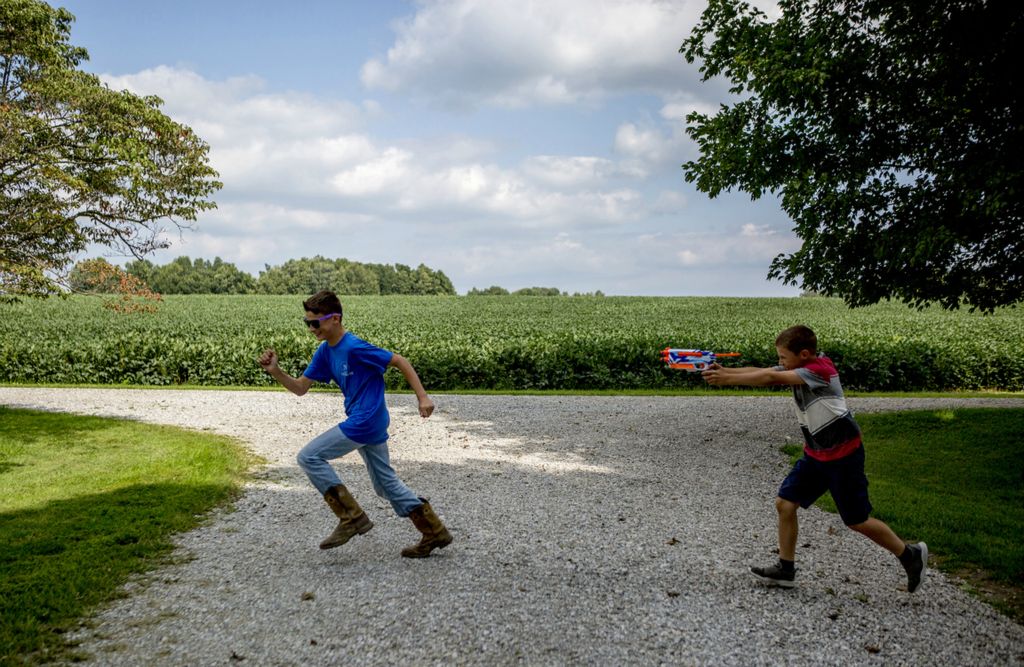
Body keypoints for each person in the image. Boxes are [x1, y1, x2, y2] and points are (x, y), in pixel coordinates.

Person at [701, 325, 927, 592]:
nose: (781, 362)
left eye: (784, 357)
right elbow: (768, 370)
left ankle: (909, 555)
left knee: (856, 520)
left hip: (844, 456)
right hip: (816, 455)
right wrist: (724, 371)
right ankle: (785, 569)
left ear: (805, 354)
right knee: (785, 504)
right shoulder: (802, 367)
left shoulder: (819, 371)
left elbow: (770, 378)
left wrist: (727, 380)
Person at [258, 289, 452, 558]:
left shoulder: (354, 347)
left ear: (335, 318)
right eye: (307, 323)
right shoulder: (325, 352)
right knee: (384, 485)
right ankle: (434, 531)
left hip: (366, 420)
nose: (311, 328)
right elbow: (301, 388)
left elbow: (399, 361)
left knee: (309, 456)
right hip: (365, 420)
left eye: (316, 322)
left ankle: (351, 517)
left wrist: (422, 397)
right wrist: (276, 371)